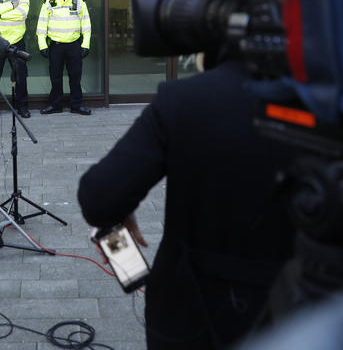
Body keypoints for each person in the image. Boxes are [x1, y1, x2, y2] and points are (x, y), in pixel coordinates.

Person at [78, 57, 297, 349]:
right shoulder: (325, 101)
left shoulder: (185, 98)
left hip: (191, 314)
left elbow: (98, 198)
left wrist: (122, 208)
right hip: (305, 311)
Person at [37, 0, 92, 116]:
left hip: (74, 45)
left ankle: (77, 105)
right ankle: (55, 105)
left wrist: (85, 44)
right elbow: (42, 24)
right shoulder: (49, 1)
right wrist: (42, 45)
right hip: (56, 46)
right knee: (55, 77)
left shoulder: (79, 1)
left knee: (75, 77)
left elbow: (86, 24)